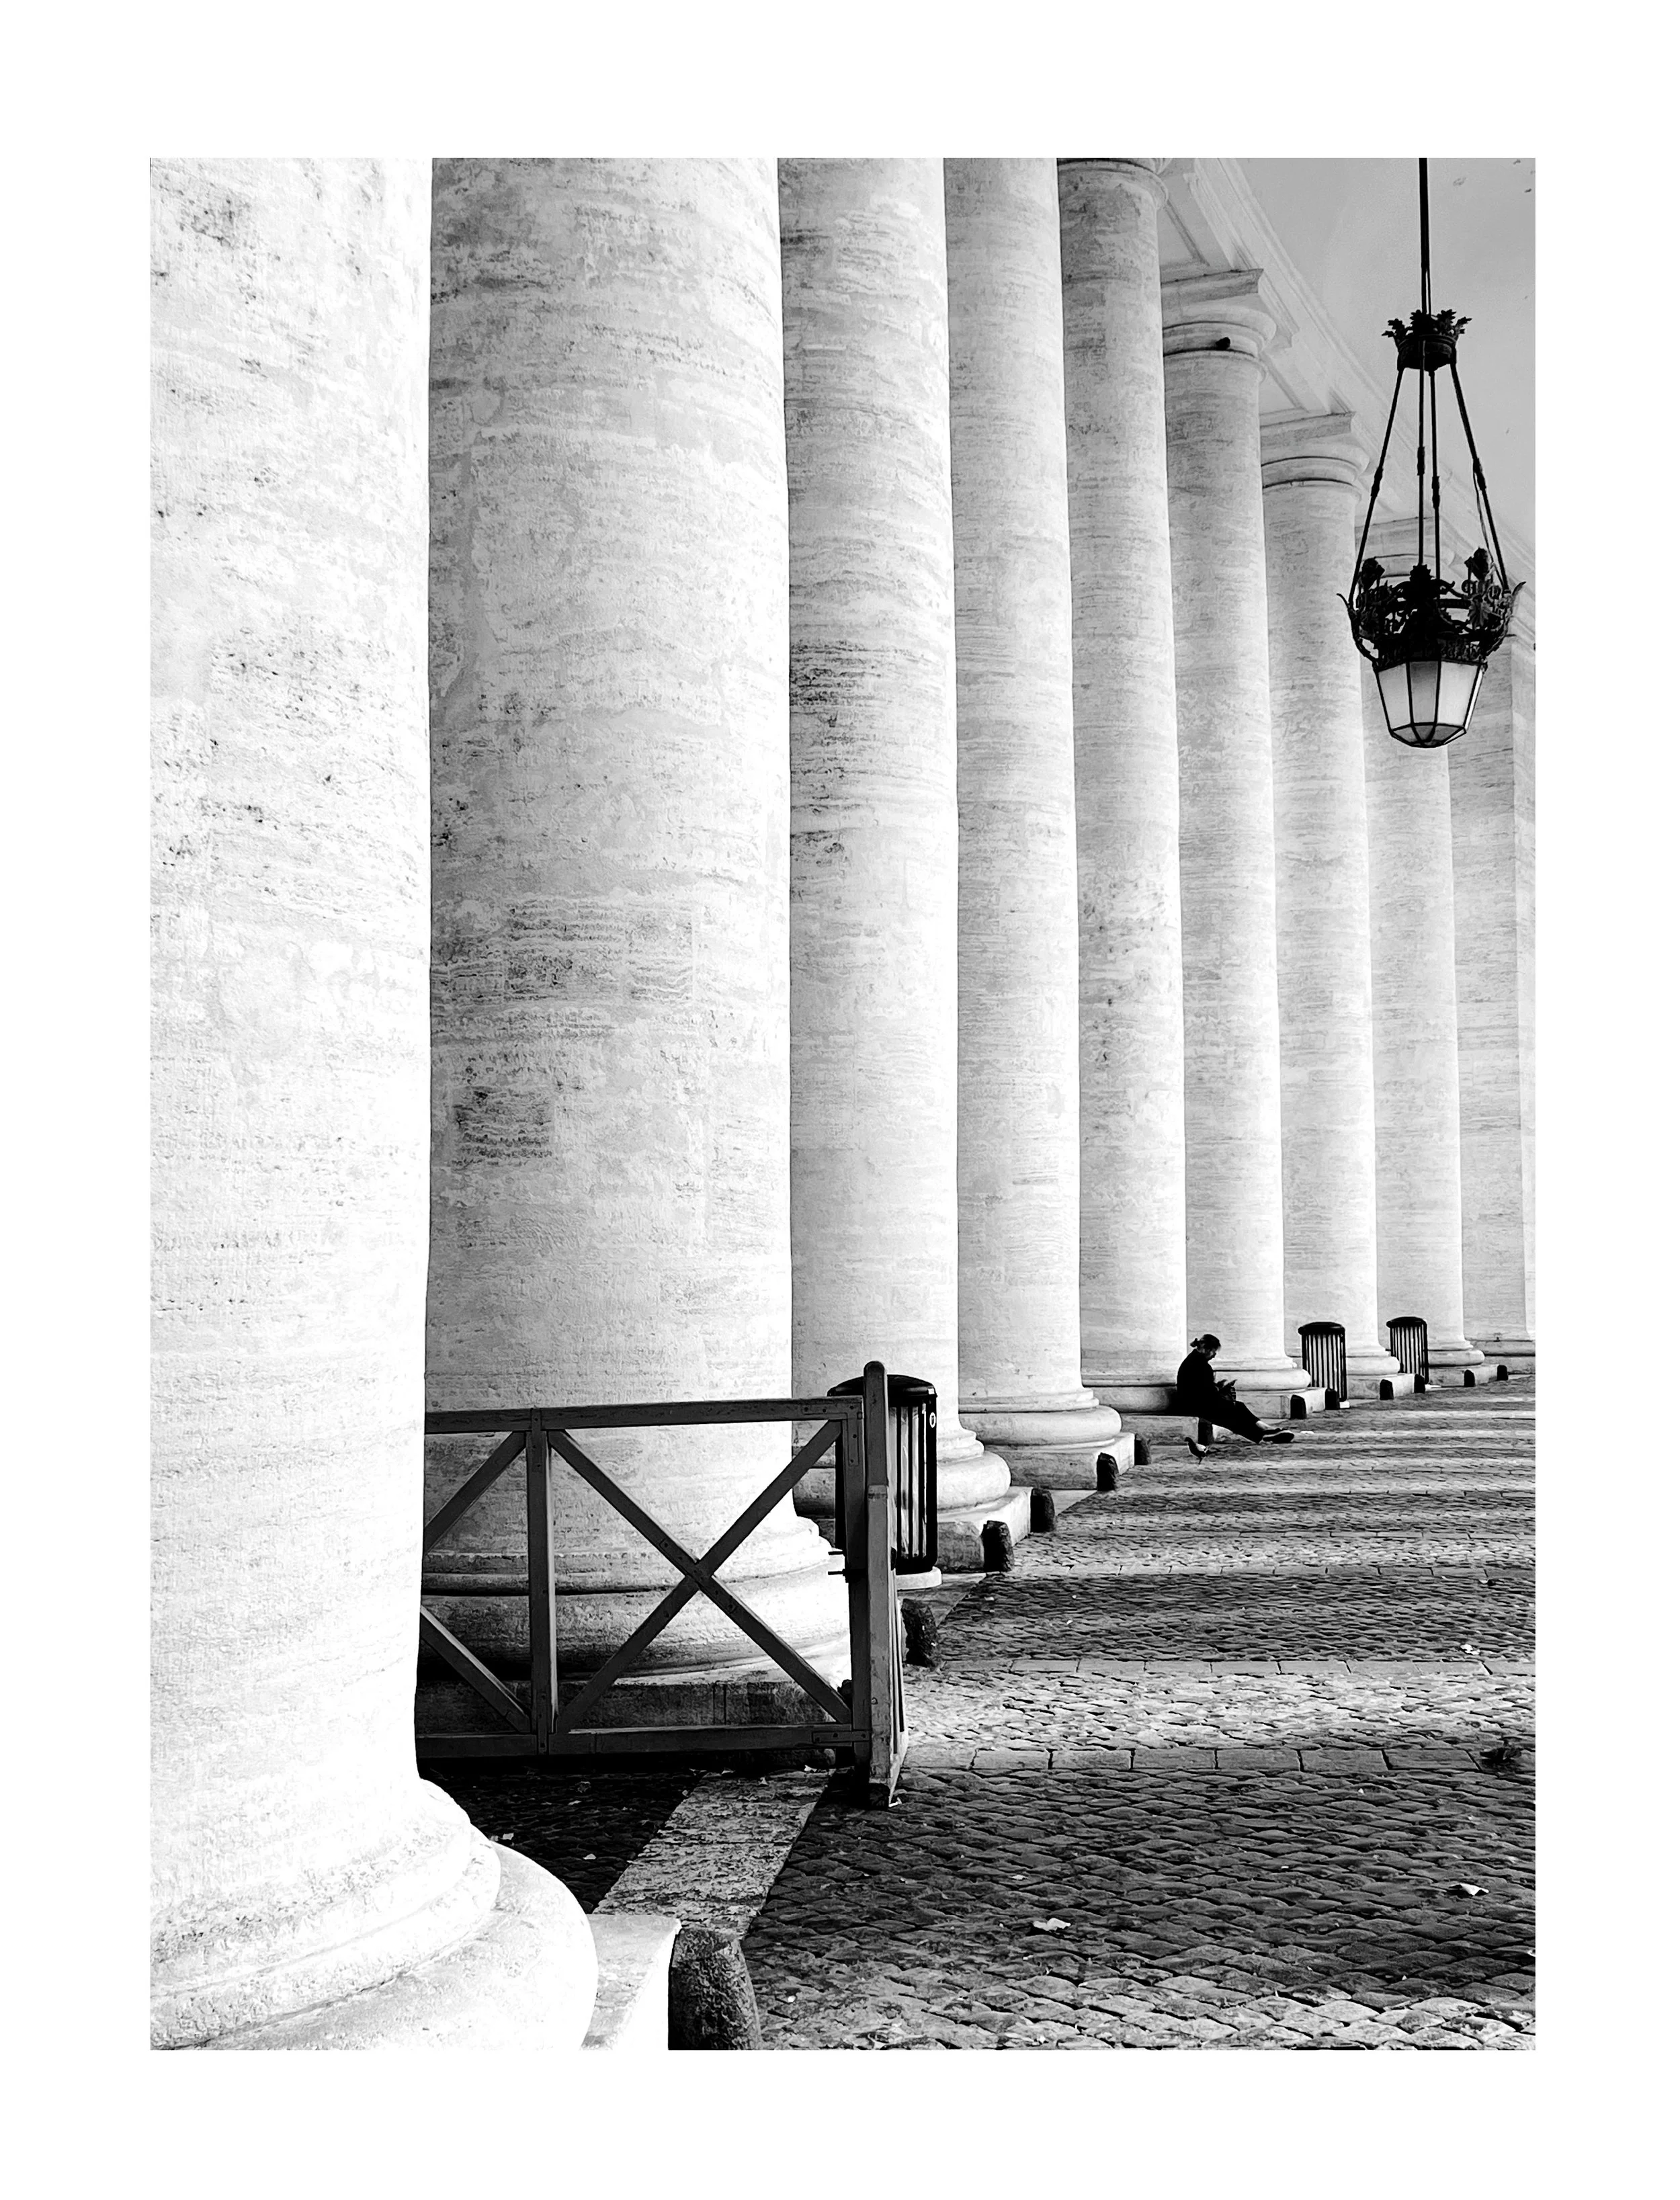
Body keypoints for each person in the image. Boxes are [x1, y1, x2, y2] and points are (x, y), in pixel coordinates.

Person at [1173, 1333, 1296, 1457]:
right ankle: (1265, 1431)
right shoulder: (1200, 1365)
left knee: (1235, 1410)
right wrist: (1221, 1391)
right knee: (1235, 1410)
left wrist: (1218, 1388)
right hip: (1195, 1405)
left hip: (1195, 1403)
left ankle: (1264, 1433)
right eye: (1214, 1351)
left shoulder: (1195, 1362)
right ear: (1207, 1349)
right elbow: (1203, 1391)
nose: (1215, 1355)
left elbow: (1201, 1388)